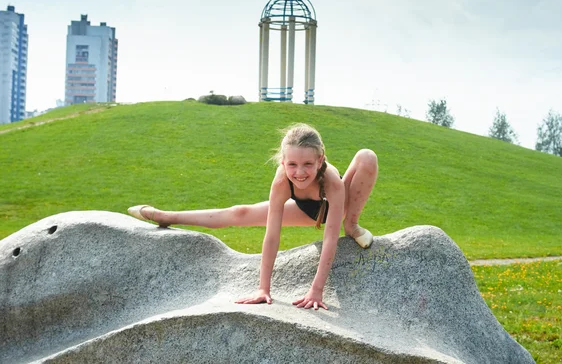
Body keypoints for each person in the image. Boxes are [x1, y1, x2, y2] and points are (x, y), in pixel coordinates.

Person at [128, 123, 378, 310]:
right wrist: (263, 288)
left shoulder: (332, 181)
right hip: (305, 210)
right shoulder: (282, 180)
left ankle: (352, 224)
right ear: (282, 162)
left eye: (308, 165)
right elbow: (272, 236)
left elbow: (330, 239)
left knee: (367, 156)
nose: (299, 173)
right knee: (240, 212)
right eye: (292, 164)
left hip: (337, 208)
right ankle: (165, 216)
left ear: (320, 160)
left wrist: (316, 290)